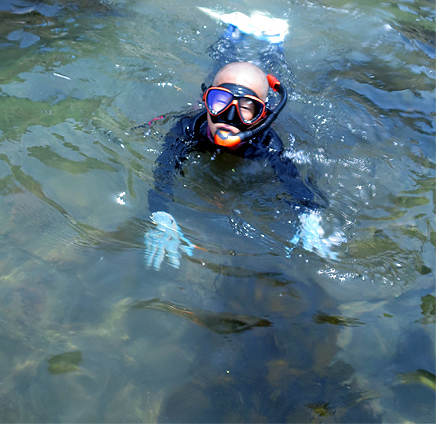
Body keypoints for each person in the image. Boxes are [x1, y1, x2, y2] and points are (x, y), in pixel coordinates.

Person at [144, 30, 344, 270]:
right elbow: (163, 172)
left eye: (247, 107)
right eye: (219, 101)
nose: (228, 117)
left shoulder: (267, 144)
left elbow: (294, 183)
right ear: (207, 100)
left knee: (268, 68)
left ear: (262, 116)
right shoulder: (190, 128)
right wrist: (161, 215)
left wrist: (308, 215)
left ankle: (274, 43)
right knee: (221, 64)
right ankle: (229, 34)